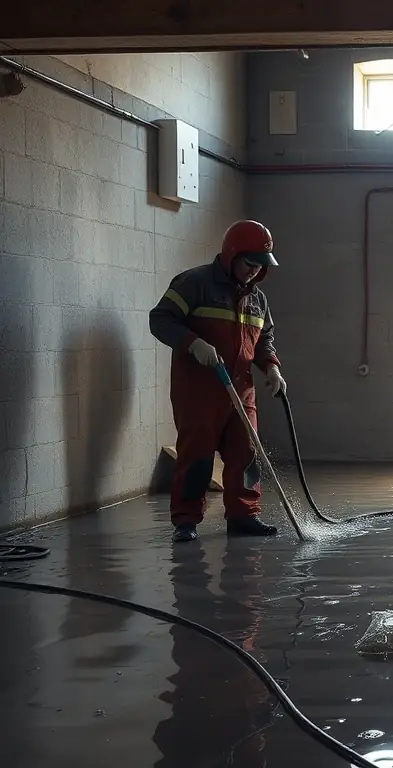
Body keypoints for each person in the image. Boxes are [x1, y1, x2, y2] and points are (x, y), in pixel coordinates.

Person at [150, 220, 287, 543]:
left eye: (261, 266)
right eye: (250, 263)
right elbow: (160, 319)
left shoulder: (258, 300)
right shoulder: (194, 283)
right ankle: (186, 521)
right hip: (199, 391)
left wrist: (271, 367)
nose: (255, 271)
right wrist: (193, 342)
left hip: (242, 390)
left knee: (246, 455)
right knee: (196, 456)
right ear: (232, 255)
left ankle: (243, 516)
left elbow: (264, 338)